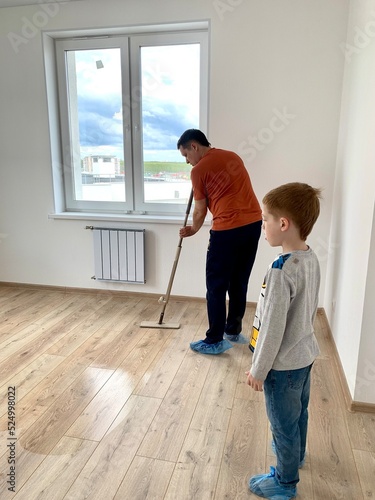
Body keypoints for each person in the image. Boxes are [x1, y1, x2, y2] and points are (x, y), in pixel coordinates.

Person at [245, 182, 322, 499]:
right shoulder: (309, 256)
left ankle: (284, 483)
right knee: (298, 414)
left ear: (283, 224)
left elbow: (273, 328)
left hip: (281, 366)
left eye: (265, 219)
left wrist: (258, 369)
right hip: (304, 356)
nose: (262, 225)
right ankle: (297, 455)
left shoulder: (279, 270)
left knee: (282, 425)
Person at [177, 129, 262, 354]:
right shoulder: (233, 156)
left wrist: (193, 230)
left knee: (216, 286)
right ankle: (232, 330)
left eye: (186, 155)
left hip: (227, 231)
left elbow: (200, 210)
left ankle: (214, 339)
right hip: (253, 225)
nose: (187, 162)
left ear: (194, 146)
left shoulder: (198, 170)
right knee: (239, 281)